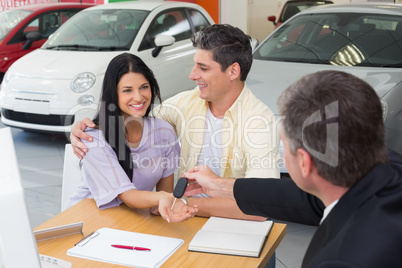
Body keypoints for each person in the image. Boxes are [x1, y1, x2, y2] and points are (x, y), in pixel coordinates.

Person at [181, 70, 402, 267]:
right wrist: (220, 185)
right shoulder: (388, 168)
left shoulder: (342, 259)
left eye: (284, 146)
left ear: (304, 163)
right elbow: (301, 198)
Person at [69, 24, 280, 221]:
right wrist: (82, 127)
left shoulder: (260, 123)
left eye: (203, 68)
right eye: (194, 65)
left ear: (233, 71)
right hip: (182, 219)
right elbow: (136, 116)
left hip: (232, 224)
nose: (192, 75)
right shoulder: (187, 102)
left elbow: (262, 207)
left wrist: (183, 202)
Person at [65, 53, 197, 222]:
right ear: (113, 93)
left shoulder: (164, 132)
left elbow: (162, 197)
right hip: (85, 220)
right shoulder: (94, 139)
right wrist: (164, 199)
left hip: (130, 220)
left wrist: (165, 206)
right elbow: (129, 197)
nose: (138, 96)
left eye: (144, 87)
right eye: (127, 90)